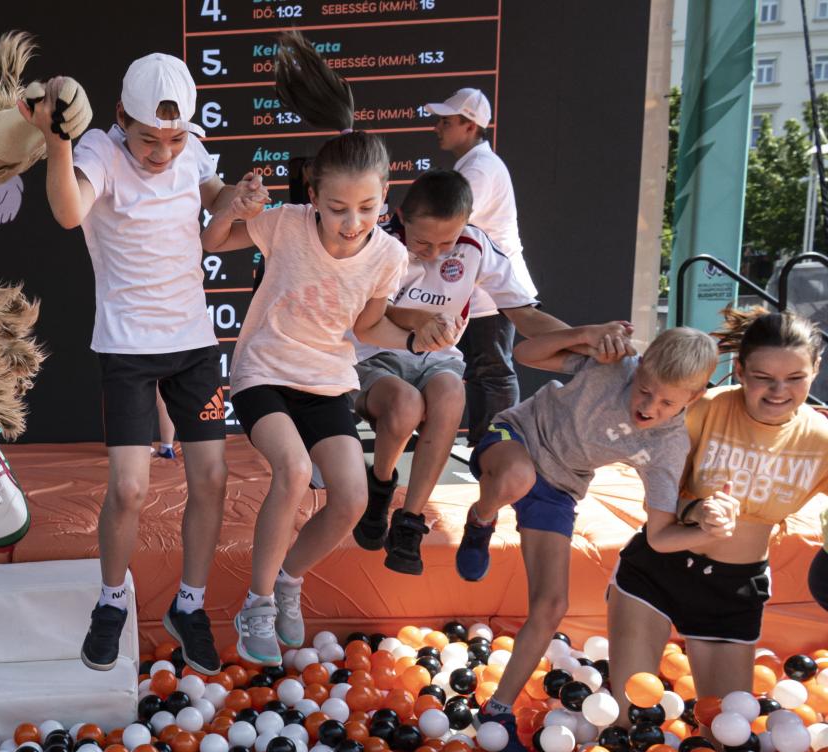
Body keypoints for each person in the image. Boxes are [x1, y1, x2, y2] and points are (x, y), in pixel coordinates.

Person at [200, 31, 455, 665]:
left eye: (366, 207)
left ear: (385, 196)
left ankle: (288, 580)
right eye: (338, 207)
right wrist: (237, 202)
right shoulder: (285, 225)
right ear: (313, 195)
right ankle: (256, 603)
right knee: (290, 471)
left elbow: (370, 328)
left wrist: (417, 335)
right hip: (263, 371)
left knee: (352, 496)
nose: (351, 221)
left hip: (327, 379)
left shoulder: (390, 256)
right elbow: (215, 242)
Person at [34, 54, 252, 674]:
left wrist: (243, 201)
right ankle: (111, 602)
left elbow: (216, 211)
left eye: (176, 139)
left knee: (212, 480)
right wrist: (57, 143)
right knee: (129, 489)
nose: (163, 153)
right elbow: (70, 212)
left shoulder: (191, 156)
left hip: (193, 346)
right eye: (149, 139)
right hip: (127, 349)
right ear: (119, 119)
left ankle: (191, 603)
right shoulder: (100, 153)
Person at [456, 326, 718, 752]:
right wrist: (586, 334)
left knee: (552, 605)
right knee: (515, 479)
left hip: (560, 487)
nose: (648, 406)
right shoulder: (612, 365)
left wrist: (706, 530)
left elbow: (659, 532)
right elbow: (525, 351)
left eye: (667, 402)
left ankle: (498, 708)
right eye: (644, 390)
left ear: (693, 399)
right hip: (515, 440)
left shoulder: (668, 445)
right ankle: (481, 518)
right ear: (639, 367)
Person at [352, 170, 630, 574]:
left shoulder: (476, 245)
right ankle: (380, 485)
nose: (433, 253)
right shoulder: (380, 243)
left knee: (451, 396)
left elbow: (525, 316)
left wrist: (588, 338)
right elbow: (380, 311)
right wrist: (421, 319)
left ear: (465, 225)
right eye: (423, 242)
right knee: (405, 405)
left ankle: (409, 522)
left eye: (446, 243)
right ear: (401, 218)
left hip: (436, 357)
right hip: (377, 353)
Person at [606, 309, 827, 720]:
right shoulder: (703, 409)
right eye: (763, 377)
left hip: (733, 590)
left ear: (815, 369)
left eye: (795, 378)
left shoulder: (820, 440)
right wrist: (696, 509)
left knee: (725, 733)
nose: (779, 390)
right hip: (657, 570)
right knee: (624, 720)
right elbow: (657, 491)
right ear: (740, 370)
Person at [427, 88, 533, 446]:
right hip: (480, 288)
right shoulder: (474, 165)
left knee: (493, 371)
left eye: (446, 120)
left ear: (470, 126)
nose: (437, 127)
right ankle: (486, 449)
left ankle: (496, 449)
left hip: (493, 288)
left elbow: (448, 221)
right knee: (484, 370)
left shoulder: (481, 169)